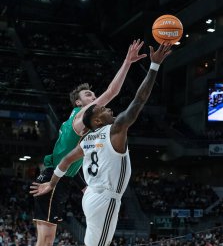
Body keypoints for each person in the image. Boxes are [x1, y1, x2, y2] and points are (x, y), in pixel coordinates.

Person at [30, 43, 172, 246]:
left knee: (48, 238)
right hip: (64, 180)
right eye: (89, 96)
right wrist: (129, 62)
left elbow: (70, 159)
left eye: (95, 97)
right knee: (46, 238)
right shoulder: (81, 118)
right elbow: (115, 91)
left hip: (67, 180)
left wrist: (81, 186)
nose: (96, 100)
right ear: (79, 104)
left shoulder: (86, 136)